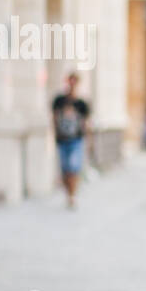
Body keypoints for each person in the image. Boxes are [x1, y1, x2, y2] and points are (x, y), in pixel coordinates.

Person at [51, 73, 91, 209]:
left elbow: (86, 124)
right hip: (62, 140)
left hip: (76, 140)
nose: (72, 84)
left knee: (73, 168)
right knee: (65, 170)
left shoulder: (81, 104)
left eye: (75, 82)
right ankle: (69, 194)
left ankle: (72, 196)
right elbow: (54, 119)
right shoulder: (59, 101)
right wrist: (55, 135)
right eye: (70, 81)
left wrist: (89, 141)